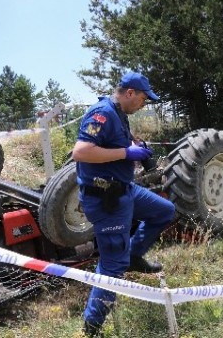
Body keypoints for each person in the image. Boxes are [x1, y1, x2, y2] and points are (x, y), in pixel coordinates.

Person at [72, 71, 176, 337]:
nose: (144, 104)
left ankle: (133, 255)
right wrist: (126, 153)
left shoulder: (120, 114)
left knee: (164, 211)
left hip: (126, 191)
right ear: (130, 93)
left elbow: (116, 142)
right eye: (143, 99)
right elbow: (81, 152)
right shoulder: (102, 113)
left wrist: (135, 146)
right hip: (107, 199)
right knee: (111, 265)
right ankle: (91, 326)